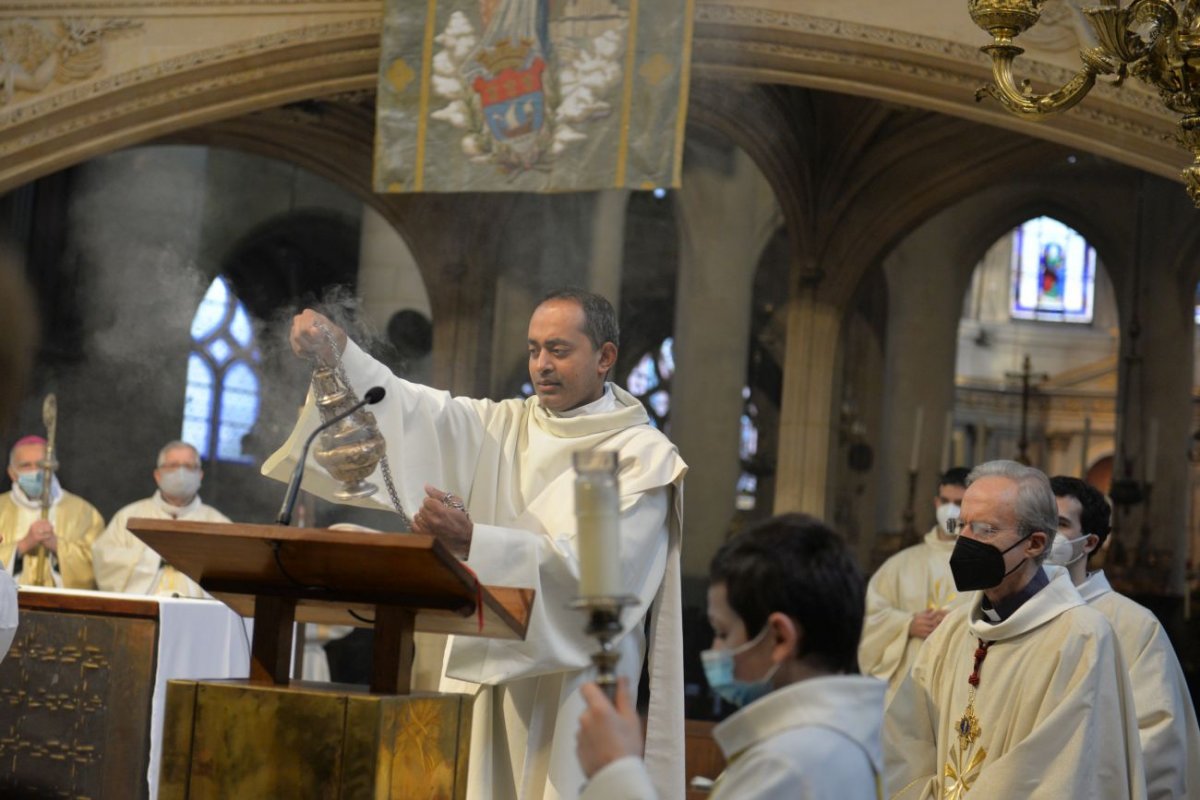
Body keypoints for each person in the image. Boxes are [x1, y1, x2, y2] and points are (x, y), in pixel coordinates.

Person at [265, 289, 688, 800]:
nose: (541, 365)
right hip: (485, 678)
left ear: (605, 357)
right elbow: (414, 409)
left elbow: (598, 584)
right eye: (533, 350)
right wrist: (342, 356)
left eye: (558, 349)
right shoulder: (505, 426)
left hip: (574, 693)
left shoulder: (641, 458)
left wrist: (475, 541)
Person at [575, 513, 885, 799]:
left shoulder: (791, 763)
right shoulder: (828, 742)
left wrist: (616, 770)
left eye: (723, 633)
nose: (714, 651)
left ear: (780, 637)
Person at [885, 460, 1145, 799]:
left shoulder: (1082, 638)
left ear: (1035, 543)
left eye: (984, 529)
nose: (963, 541)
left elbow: (1058, 775)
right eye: (961, 525)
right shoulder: (951, 631)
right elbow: (904, 740)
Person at [1047, 476, 1200, 800]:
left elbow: (1157, 739)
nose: (1044, 534)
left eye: (1059, 524)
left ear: (1090, 542)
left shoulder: (1133, 624)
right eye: (1038, 520)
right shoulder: (1013, 614)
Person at [859, 467, 971, 701]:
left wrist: (958, 624)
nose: (950, 510)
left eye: (959, 503)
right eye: (945, 501)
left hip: (962, 685)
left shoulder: (988, 566)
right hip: (906, 688)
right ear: (935, 502)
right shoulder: (900, 564)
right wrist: (906, 624)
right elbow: (871, 617)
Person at [92, 441, 230, 597]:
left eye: (189, 466)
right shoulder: (129, 517)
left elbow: (232, 571)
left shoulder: (219, 523)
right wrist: (159, 557)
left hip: (200, 615)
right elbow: (105, 559)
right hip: (142, 611)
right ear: (157, 475)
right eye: (173, 465)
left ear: (200, 475)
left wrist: (193, 561)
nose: (181, 472)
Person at [1, 435, 103, 588]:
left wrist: (57, 547)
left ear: (53, 467)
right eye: (26, 466)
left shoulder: (83, 512)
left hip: (61, 606)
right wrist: (22, 546)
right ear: (12, 473)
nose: (35, 472)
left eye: (42, 465)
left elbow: (100, 566)